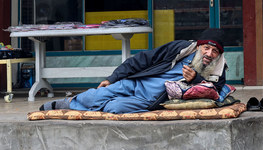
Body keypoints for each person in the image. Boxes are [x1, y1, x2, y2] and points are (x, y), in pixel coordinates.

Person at [40, 28, 227, 114]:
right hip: (135, 83)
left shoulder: (218, 69)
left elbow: (215, 92)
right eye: (206, 48)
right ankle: (71, 102)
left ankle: (95, 102)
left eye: (215, 51)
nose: (209, 54)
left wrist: (194, 80)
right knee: (95, 97)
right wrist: (113, 77)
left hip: (148, 100)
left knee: (115, 108)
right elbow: (143, 59)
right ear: (198, 47)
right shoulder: (181, 48)